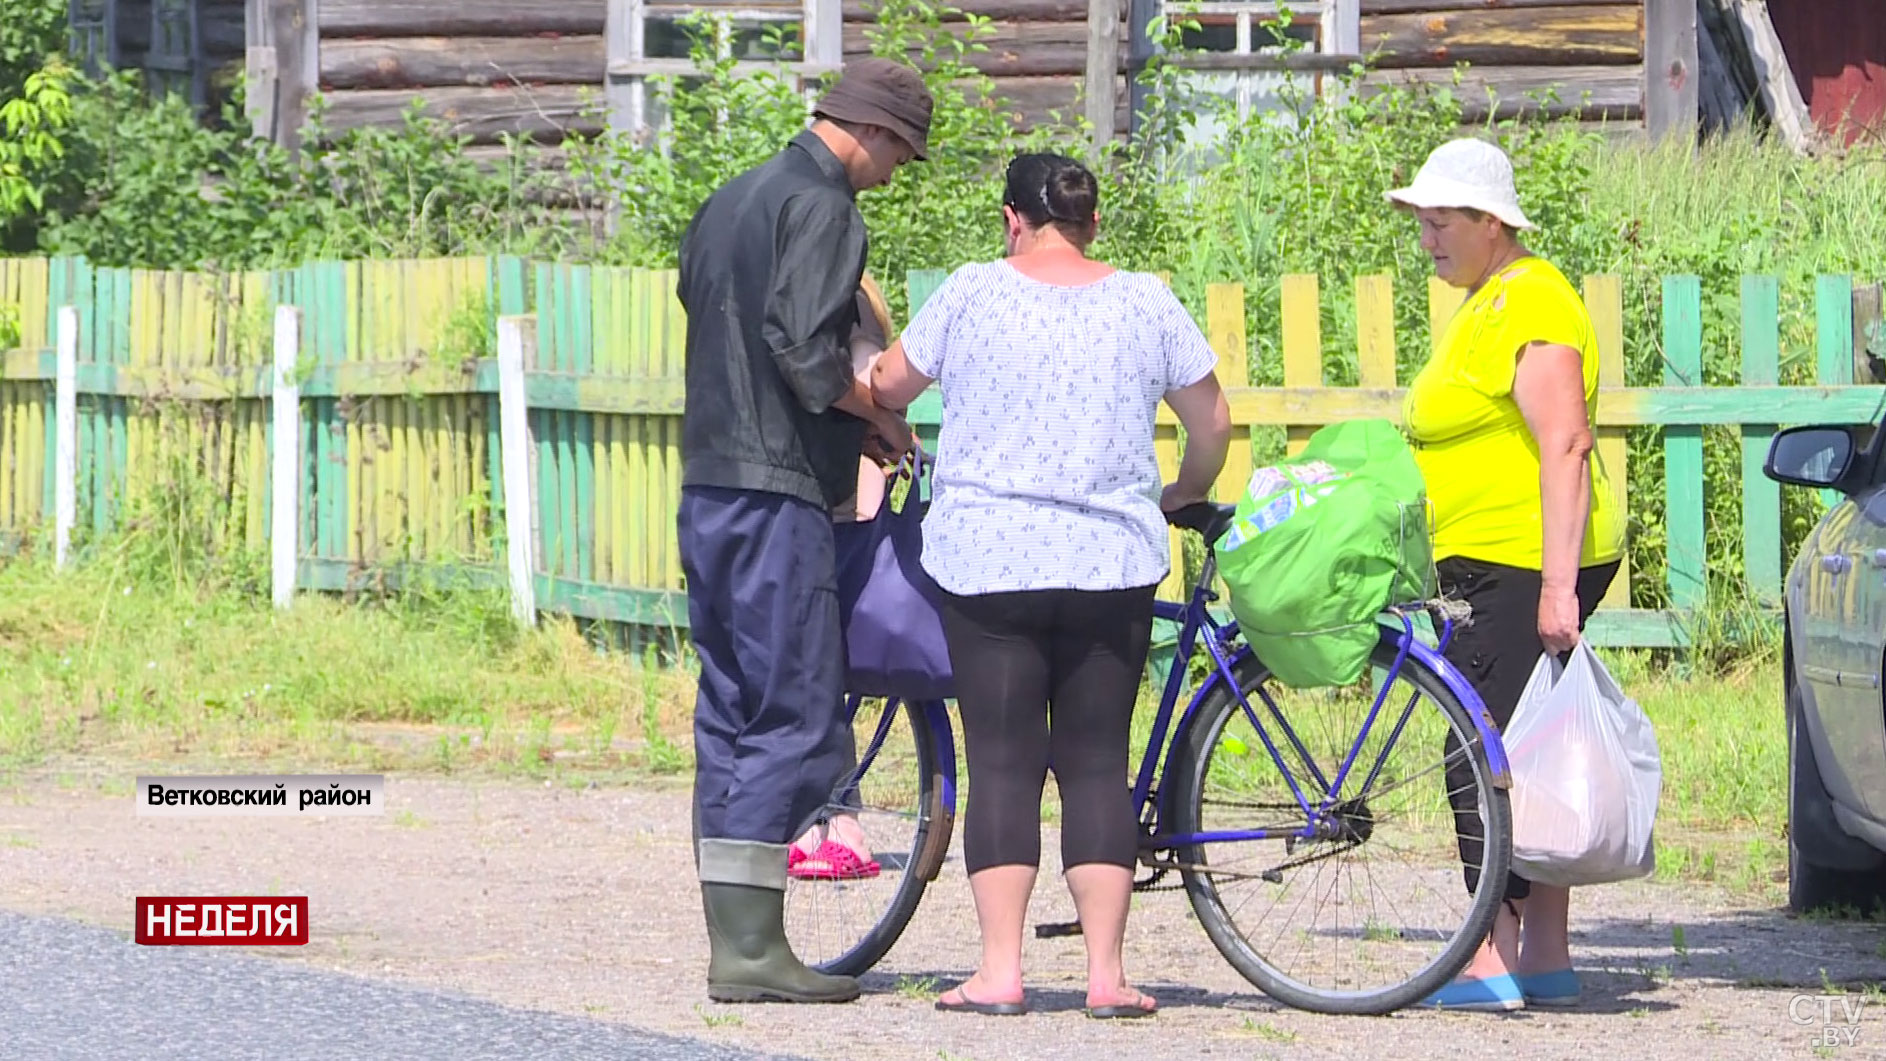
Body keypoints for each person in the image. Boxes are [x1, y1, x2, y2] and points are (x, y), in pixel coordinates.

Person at [870, 153, 1233, 1019]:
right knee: (1097, 760)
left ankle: (1000, 971)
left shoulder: (971, 290)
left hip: (990, 563)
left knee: (1001, 761)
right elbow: (1212, 419)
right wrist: (1182, 489)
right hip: (1110, 561)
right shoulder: (1145, 298)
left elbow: (889, 382)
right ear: (1092, 223)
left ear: (1011, 220)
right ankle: (1105, 975)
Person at [674, 58, 931, 1005]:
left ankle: (738, 939)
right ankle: (752, 951)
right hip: (780, 489)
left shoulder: (731, 198)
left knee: (731, 707)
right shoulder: (826, 208)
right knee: (793, 703)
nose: (897, 173)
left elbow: (717, 317)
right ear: (872, 131)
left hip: (708, 484)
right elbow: (800, 344)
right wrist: (875, 414)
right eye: (902, 153)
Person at [1387, 138, 1626, 1012]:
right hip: (1501, 557)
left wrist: (1558, 587)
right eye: (1422, 222)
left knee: (1477, 749)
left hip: (1524, 561)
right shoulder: (1491, 298)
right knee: (1531, 745)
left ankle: (1494, 957)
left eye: (1442, 222)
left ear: (1492, 223)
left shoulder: (1534, 302)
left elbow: (1564, 440)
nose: (1428, 239)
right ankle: (1548, 958)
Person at [791, 275, 898, 881]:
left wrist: (877, 423)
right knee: (817, 667)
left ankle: (837, 821)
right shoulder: (848, 300)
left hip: (839, 503)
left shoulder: (846, 304)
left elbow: (869, 386)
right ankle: (822, 819)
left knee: (817, 667)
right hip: (839, 498)